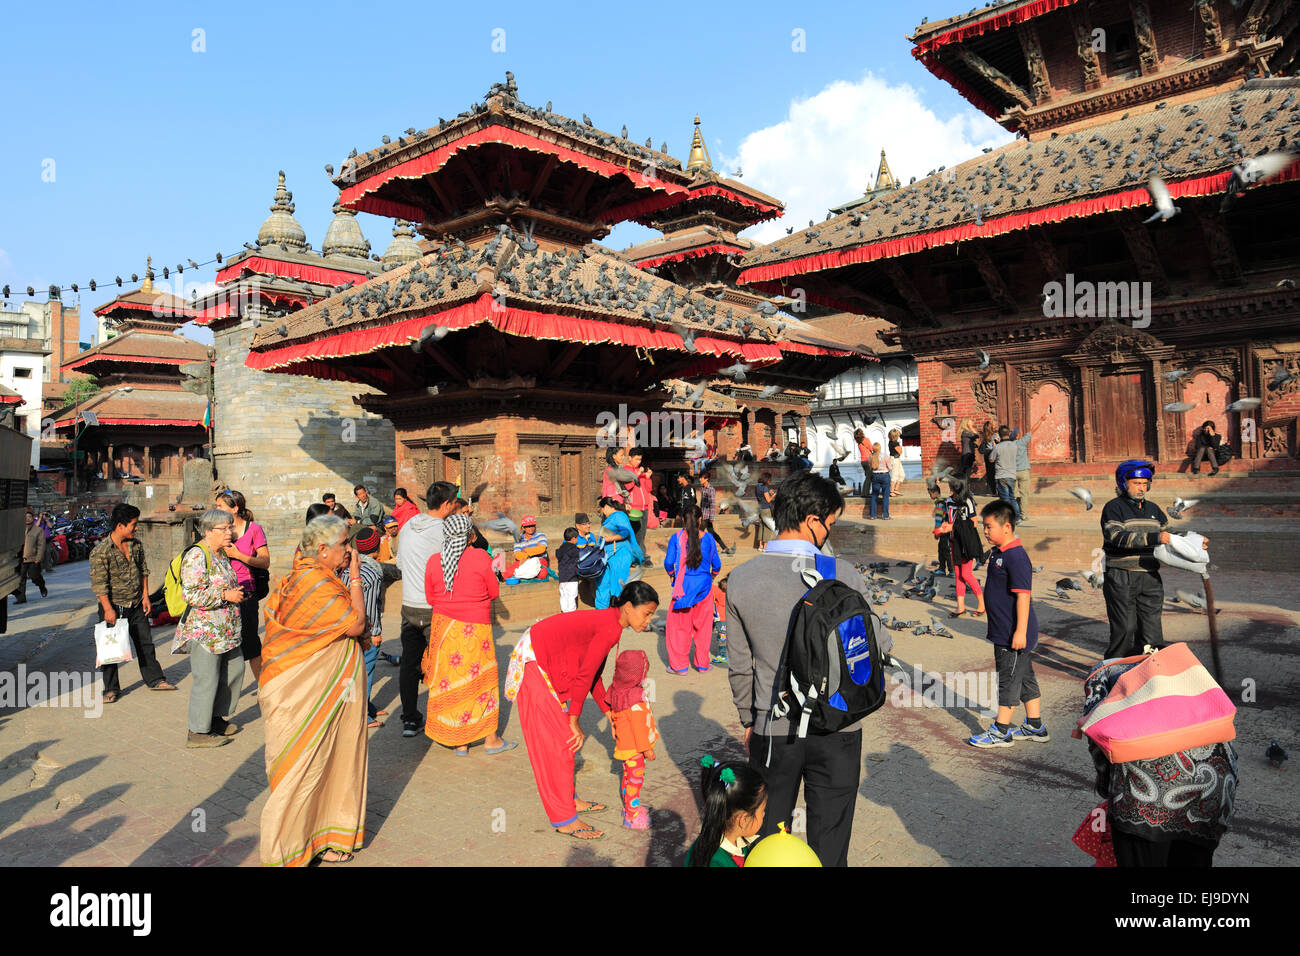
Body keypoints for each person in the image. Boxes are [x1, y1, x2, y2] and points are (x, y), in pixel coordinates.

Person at [726, 472, 889, 867]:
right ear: (813, 520)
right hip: (838, 725)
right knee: (830, 838)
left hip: (774, 728)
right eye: (829, 523)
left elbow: (739, 666)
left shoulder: (741, 578)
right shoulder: (843, 574)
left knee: (768, 837)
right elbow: (879, 646)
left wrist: (750, 719)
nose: (828, 533)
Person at [503, 581, 659, 840]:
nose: (648, 620)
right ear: (629, 607)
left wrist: (607, 711)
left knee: (565, 745)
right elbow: (586, 674)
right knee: (559, 746)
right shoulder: (611, 628)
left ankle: (570, 800)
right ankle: (564, 819)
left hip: (547, 662)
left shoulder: (613, 624)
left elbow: (593, 672)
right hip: (534, 664)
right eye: (647, 613)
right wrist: (573, 720)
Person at [259, 515, 369, 866]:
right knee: (298, 767)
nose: (349, 551)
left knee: (335, 758)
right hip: (302, 689)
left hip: (331, 689)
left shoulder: (302, 575)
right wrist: (354, 579)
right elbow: (355, 624)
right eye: (344, 546)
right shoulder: (315, 582)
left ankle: (327, 835)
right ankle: (283, 849)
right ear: (322, 550)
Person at [1083, 657, 1237, 866]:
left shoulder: (1101, 674)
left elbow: (1100, 749)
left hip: (1146, 800)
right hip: (1215, 785)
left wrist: (1109, 792)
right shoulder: (1181, 669)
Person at [423, 512, 515, 755]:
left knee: (452, 681)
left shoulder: (434, 561)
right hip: (476, 630)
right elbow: (493, 591)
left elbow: (431, 597)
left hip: (445, 629)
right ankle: (491, 739)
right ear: (469, 536)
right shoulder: (480, 558)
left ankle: (460, 741)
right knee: (482, 681)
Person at [1100, 461, 1204, 660]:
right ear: (1124, 483)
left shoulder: (1153, 508)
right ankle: (1113, 672)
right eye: (1136, 483)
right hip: (1122, 576)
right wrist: (1154, 538)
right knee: (1125, 630)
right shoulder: (1113, 508)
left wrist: (1195, 539)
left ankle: (1150, 673)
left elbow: (1168, 533)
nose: (1141, 488)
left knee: (1152, 631)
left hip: (1150, 575)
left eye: (1145, 483)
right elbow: (1116, 537)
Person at [968, 500, 1046, 748]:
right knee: (1024, 679)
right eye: (984, 526)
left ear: (1007, 527)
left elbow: (1023, 595)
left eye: (989, 526)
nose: (985, 531)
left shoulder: (1016, 556)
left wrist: (1020, 631)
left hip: (1013, 633)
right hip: (1005, 630)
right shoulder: (999, 553)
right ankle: (1035, 726)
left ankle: (1001, 730)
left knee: (1008, 680)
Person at [172, 509, 246, 748]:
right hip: (206, 632)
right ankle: (197, 732)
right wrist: (225, 595)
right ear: (207, 532)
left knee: (231, 673)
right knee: (207, 679)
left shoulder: (221, 554)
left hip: (227, 630)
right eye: (223, 529)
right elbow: (191, 594)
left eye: (230, 527)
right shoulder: (197, 555)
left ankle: (215, 719)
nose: (229, 532)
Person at [90, 503, 175, 702]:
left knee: (146, 644)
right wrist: (108, 609)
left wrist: (146, 596)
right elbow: (99, 585)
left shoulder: (136, 546)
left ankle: (155, 679)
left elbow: (143, 571)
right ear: (120, 525)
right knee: (110, 650)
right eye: (133, 524)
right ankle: (111, 689)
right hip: (113, 607)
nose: (136, 528)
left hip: (136, 604)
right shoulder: (101, 552)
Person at [396, 480, 460, 738]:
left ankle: (410, 719)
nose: (455, 507)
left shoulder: (409, 524)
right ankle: (440, 719)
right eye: (454, 503)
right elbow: (453, 568)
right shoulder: (445, 530)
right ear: (446, 505)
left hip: (409, 605)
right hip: (435, 607)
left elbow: (400, 564)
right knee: (441, 665)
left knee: (409, 664)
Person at [215, 489, 270, 683]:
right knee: (225, 644)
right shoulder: (217, 531)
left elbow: (265, 562)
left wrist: (238, 555)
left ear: (235, 508)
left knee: (251, 642)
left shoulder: (253, 529)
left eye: (220, 506)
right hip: (223, 593)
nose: (217, 509)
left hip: (246, 591)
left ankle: (265, 688)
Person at [663, 504, 721, 674]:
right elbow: (716, 565)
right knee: (703, 628)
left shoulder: (677, 537)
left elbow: (668, 563)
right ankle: (702, 664)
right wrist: (711, 577)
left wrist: (672, 575)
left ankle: (680, 667)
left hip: (683, 588)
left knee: (680, 628)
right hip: (704, 587)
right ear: (701, 519)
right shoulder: (709, 538)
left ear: (682, 519)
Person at [341, 525, 387, 729]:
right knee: (366, 671)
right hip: (365, 630)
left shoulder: (349, 567)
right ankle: (361, 715)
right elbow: (370, 607)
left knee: (356, 669)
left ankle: (367, 707)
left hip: (349, 627)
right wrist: (375, 632)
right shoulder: (372, 572)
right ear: (376, 547)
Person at [608, 648, 658, 829]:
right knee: (635, 782)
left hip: (624, 745)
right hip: (636, 749)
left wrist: (614, 727)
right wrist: (647, 749)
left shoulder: (616, 689)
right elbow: (639, 729)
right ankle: (632, 815)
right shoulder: (635, 699)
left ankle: (629, 807)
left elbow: (614, 712)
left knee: (627, 777)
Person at [685, 756, 767, 866]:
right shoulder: (715, 862)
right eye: (762, 810)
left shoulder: (740, 843)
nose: (764, 814)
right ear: (743, 819)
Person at [939, 479, 985, 616]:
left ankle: (982, 604)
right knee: (958, 574)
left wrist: (953, 527)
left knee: (966, 574)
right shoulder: (948, 502)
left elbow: (974, 523)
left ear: (956, 488)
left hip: (967, 542)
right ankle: (960, 607)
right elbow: (947, 520)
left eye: (951, 487)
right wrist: (942, 528)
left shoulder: (968, 501)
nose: (949, 489)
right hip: (954, 541)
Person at [595, 497, 642, 609]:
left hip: (619, 553)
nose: (603, 513)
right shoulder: (612, 518)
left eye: (602, 510)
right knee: (603, 583)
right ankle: (601, 612)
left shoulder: (620, 516)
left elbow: (625, 532)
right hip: (608, 555)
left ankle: (621, 612)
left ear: (606, 507)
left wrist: (610, 539)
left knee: (619, 584)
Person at [1010, 412, 1048, 524]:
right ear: (1017, 436)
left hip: (1012, 472)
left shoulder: (1008, 445)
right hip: (1024, 472)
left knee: (1014, 494)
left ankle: (1015, 513)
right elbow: (1032, 430)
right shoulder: (1022, 442)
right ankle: (1024, 515)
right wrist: (1041, 420)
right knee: (1024, 494)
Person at [988, 425, 1022, 523]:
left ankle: (1007, 518)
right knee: (1012, 497)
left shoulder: (998, 447)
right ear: (1008, 434)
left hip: (1001, 475)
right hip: (1012, 474)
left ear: (999, 434)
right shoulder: (1014, 445)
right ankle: (1017, 517)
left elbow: (991, 459)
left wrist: (995, 445)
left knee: (1005, 499)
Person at [697, 470, 734, 556]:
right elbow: (702, 503)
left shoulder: (711, 489)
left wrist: (711, 517)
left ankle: (695, 549)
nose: (700, 479)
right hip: (703, 514)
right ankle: (724, 547)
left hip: (707, 516)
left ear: (706, 479)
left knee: (700, 532)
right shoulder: (703, 488)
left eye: (701, 478)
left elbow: (712, 503)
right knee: (711, 532)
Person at [16, 511, 48, 603]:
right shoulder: (18, 530)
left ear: (33, 518)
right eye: (25, 517)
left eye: (29, 517)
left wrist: (38, 558)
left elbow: (41, 545)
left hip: (33, 558)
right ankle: (21, 598)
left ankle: (42, 586)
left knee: (35, 577)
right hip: (21, 558)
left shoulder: (38, 530)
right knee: (21, 579)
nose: (27, 519)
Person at [506, 516, 549, 580]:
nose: (531, 528)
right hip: (524, 561)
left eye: (532, 526)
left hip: (540, 560)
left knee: (542, 574)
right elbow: (517, 555)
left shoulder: (541, 535)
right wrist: (532, 552)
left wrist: (525, 550)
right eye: (528, 526)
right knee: (508, 572)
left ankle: (527, 574)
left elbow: (542, 549)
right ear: (523, 528)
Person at [929, 484, 953, 577]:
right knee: (942, 549)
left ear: (935, 492)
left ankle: (951, 571)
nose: (930, 495)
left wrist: (936, 532)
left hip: (943, 530)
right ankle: (942, 569)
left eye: (930, 493)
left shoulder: (940, 504)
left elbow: (939, 519)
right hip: (945, 530)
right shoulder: (944, 501)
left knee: (946, 550)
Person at [556, 527, 581, 613]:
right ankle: (571, 617)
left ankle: (564, 614)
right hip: (571, 578)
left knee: (563, 596)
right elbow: (579, 559)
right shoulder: (574, 549)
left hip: (562, 579)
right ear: (574, 538)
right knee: (571, 597)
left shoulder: (561, 549)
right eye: (577, 538)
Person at [709, 574, 729, 665]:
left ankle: (723, 656)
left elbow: (710, 585)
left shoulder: (719, 593)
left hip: (721, 621)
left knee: (722, 639)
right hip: (729, 620)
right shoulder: (730, 595)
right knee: (726, 637)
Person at [867, 443, 891, 519]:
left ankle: (873, 515)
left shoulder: (870, 457)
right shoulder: (885, 456)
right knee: (885, 497)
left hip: (875, 476)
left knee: (874, 496)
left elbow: (870, 467)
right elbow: (890, 467)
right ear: (880, 448)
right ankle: (886, 516)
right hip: (884, 476)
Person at [753, 472, 775, 549]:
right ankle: (765, 546)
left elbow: (761, 496)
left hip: (760, 508)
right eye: (769, 480)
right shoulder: (765, 487)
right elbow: (768, 500)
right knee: (768, 527)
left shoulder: (757, 486)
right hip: (766, 509)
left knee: (761, 526)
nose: (770, 481)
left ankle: (760, 546)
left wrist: (769, 492)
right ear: (766, 479)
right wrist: (774, 495)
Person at [979, 421, 999, 496]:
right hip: (994, 454)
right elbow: (998, 443)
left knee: (989, 473)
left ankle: (991, 491)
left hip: (987, 455)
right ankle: (997, 491)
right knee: (996, 472)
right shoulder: (995, 435)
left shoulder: (985, 436)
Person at [887, 428, 905, 496]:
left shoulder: (891, 442)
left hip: (896, 459)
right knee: (894, 475)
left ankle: (896, 490)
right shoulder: (895, 443)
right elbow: (900, 452)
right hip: (895, 459)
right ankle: (891, 491)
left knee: (902, 475)